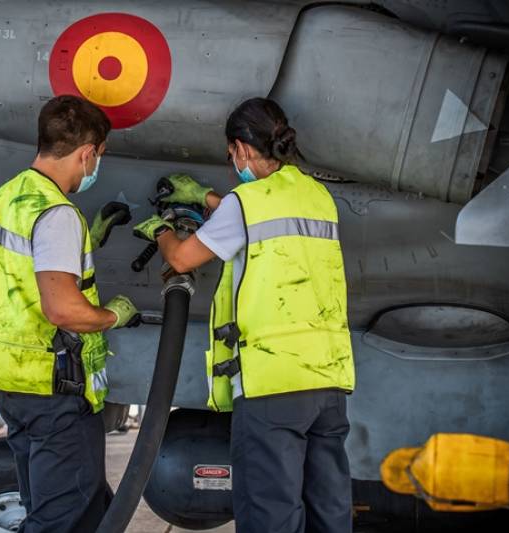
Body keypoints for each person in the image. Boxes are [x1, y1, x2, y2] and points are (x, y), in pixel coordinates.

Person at [134, 97, 355, 533]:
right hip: (328, 380)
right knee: (329, 512)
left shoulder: (245, 203)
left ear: (240, 148)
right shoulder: (317, 196)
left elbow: (181, 258)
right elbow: (261, 215)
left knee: (269, 515)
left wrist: (159, 230)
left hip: (272, 385)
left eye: (230, 153)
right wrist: (207, 198)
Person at [0, 95, 140, 533]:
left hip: (14, 386)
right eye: (98, 159)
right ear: (87, 152)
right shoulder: (56, 213)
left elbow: (20, 279)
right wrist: (113, 315)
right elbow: (62, 309)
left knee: (73, 509)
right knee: (63, 518)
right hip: (53, 389)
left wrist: (85, 239)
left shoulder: (6, 198)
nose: (94, 170)